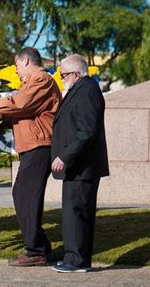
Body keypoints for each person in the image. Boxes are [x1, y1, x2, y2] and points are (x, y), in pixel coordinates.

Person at [0, 47, 62, 267]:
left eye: (17, 65)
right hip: (34, 144)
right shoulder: (35, 81)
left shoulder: (40, 79)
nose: (16, 70)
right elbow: (23, 112)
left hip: (40, 145)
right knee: (24, 194)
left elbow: (21, 104)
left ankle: (36, 251)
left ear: (27, 61)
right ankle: (40, 248)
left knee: (25, 194)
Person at [50, 54, 109, 273]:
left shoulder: (87, 91)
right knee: (74, 213)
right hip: (78, 167)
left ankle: (77, 260)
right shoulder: (81, 89)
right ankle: (74, 258)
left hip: (82, 166)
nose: (61, 78)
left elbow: (87, 131)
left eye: (63, 74)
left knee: (77, 213)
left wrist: (65, 156)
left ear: (76, 73)